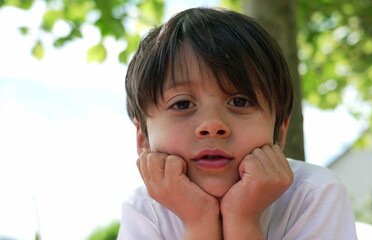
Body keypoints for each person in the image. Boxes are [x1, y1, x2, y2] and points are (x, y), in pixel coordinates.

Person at [118, 7, 357, 240]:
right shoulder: (143, 210)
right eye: (182, 104)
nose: (212, 125)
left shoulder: (313, 195)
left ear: (279, 133)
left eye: (240, 101)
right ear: (143, 139)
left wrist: (242, 219)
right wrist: (199, 221)